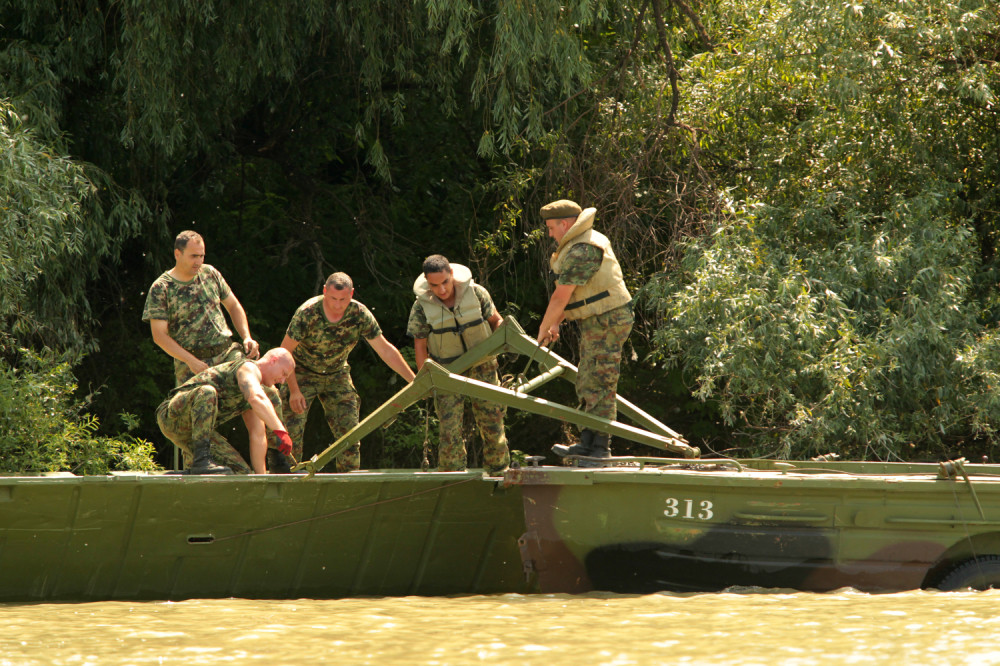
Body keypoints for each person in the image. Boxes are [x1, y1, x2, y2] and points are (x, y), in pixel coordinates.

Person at [142, 230, 265, 474]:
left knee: (261, 393)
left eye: (202, 255)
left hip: (225, 353)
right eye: (193, 256)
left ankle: (276, 462)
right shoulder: (162, 287)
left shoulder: (210, 273)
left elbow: (233, 305)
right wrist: (191, 361)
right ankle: (199, 468)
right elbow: (159, 336)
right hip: (192, 362)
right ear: (177, 254)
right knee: (198, 414)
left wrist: (246, 336)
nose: (199, 261)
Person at [279, 272, 416, 472]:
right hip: (301, 372)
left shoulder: (359, 314)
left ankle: (347, 480)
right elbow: (284, 354)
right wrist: (294, 390)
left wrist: (414, 381)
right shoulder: (307, 313)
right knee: (291, 433)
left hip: (337, 374)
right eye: (333, 298)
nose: (337, 305)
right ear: (324, 291)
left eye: (343, 299)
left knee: (350, 434)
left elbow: (385, 350)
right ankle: (286, 480)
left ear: (351, 294)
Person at [536, 199, 634, 465]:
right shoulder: (578, 244)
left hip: (609, 319)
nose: (550, 234)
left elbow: (561, 296)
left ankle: (601, 448)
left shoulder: (583, 249)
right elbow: (579, 294)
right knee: (589, 379)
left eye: (551, 228)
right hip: (598, 319)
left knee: (601, 380)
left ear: (565, 224)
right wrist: (555, 323)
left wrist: (544, 327)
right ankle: (588, 443)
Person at [407, 255, 510, 474]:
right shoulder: (421, 307)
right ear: (427, 282)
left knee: (492, 419)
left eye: (445, 282)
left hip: (483, 365)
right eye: (435, 285)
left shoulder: (477, 293)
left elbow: (496, 321)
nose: (442, 289)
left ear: (452, 274)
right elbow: (420, 346)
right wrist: (426, 377)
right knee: (449, 427)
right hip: (446, 371)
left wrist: (503, 337)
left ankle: (500, 471)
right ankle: (451, 474)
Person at [156, 348, 296, 474]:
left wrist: (261, 479)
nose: (283, 381)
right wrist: (280, 431)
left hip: (196, 432)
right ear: (273, 360)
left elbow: (258, 435)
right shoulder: (248, 368)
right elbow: (256, 398)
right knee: (207, 392)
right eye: (283, 373)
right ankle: (201, 461)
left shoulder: (256, 390)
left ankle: (277, 460)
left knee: (240, 472)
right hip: (173, 416)